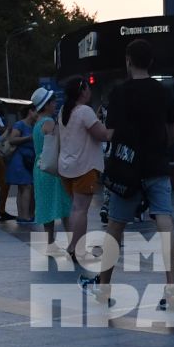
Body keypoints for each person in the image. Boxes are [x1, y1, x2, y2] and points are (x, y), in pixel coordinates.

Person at [89, 40, 174, 308]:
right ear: (151, 62)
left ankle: (104, 288)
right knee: (165, 223)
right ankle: (172, 289)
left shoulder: (119, 93)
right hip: (157, 165)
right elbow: (172, 132)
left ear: (128, 60)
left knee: (116, 225)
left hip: (127, 169)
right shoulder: (164, 92)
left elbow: (112, 132)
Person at [56, 76, 110, 265]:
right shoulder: (84, 111)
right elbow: (102, 135)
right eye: (88, 88)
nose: (90, 91)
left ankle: (73, 246)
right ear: (82, 91)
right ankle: (76, 250)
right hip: (84, 167)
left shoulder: (64, 110)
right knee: (81, 210)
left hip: (66, 167)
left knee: (75, 209)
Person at [28, 86, 71, 252]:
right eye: (52, 101)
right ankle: (72, 243)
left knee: (46, 205)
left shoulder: (37, 124)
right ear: (46, 105)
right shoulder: (49, 122)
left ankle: (50, 243)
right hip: (53, 169)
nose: (55, 103)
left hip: (40, 167)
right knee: (66, 205)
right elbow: (57, 143)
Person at [2, 97, 39, 225]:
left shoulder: (34, 125)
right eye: (36, 112)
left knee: (26, 187)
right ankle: (25, 216)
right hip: (20, 160)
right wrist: (29, 138)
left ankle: (25, 214)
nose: (38, 115)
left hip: (29, 160)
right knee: (26, 186)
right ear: (30, 111)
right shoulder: (20, 124)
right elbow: (12, 140)